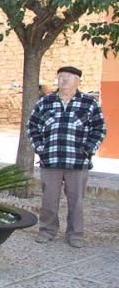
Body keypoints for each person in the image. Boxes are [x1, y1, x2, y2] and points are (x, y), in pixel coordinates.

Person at [26, 65, 107, 248]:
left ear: (77, 81)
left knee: (76, 200)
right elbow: (32, 127)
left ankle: (75, 234)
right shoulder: (45, 102)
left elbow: (99, 129)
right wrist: (41, 148)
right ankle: (47, 231)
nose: (63, 80)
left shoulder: (89, 103)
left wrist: (87, 149)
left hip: (78, 161)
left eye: (68, 77)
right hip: (51, 160)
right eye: (61, 76)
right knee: (49, 199)